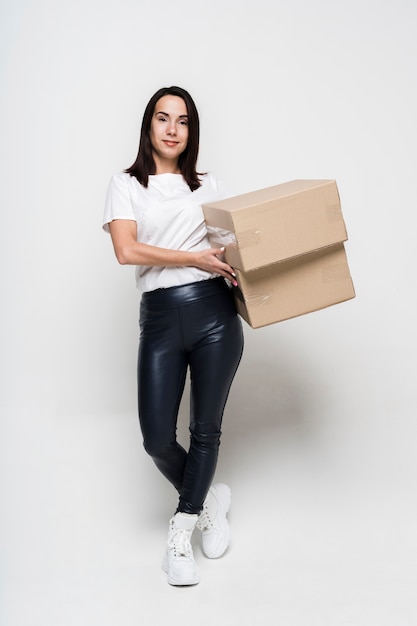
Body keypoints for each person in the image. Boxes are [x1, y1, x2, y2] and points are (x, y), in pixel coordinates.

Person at [103, 86, 244, 586]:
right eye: (162, 118)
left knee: (205, 430)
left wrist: (234, 263)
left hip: (213, 312)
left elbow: (228, 251)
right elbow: (127, 251)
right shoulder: (126, 184)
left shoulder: (210, 185)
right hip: (161, 316)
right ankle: (209, 500)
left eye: (182, 121)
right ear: (148, 126)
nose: (171, 129)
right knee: (157, 437)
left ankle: (181, 534)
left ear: (191, 131)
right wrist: (192, 256)